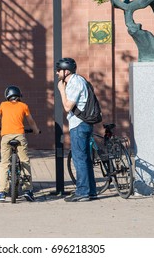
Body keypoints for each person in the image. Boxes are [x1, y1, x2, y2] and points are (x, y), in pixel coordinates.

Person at [56, 57, 97, 202]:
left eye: (59, 70)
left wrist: (61, 90)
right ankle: (91, 191)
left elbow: (67, 106)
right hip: (83, 124)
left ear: (66, 71)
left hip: (79, 124)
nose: (57, 73)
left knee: (79, 159)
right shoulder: (79, 80)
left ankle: (82, 192)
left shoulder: (74, 82)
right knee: (85, 159)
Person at [0, 86, 40, 202]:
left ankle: (2, 193)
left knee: (4, 163)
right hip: (19, 135)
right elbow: (31, 121)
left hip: (6, 137)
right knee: (24, 161)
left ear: (7, 96)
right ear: (19, 96)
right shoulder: (24, 106)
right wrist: (36, 130)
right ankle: (28, 191)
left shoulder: (3, 105)